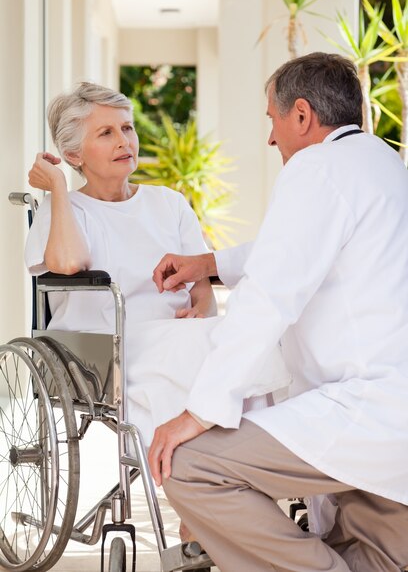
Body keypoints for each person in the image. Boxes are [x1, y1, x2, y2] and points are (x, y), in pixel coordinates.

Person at [148, 52, 408, 572]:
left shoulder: (316, 167)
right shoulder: (381, 161)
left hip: (363, 406)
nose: (271, 138)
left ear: (303, 116)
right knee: (377, 558)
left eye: (272, 119)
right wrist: (210, 263)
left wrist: (198, 413)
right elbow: (294, 249)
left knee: (188, 467)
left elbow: (269, 296)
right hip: (393, 414)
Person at [24, 82, 289, 446]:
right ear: (73, 154)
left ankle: (244, 457)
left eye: (127, 128)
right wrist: (56, 187)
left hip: (174, 338)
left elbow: (203, 292)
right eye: (106, 132)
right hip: (105, 350)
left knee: (238, 341)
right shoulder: (67, 211)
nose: (124, 141)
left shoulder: (169, 204)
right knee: (221, 353)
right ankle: (224, 460)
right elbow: (69, 262)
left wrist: (199, 311)